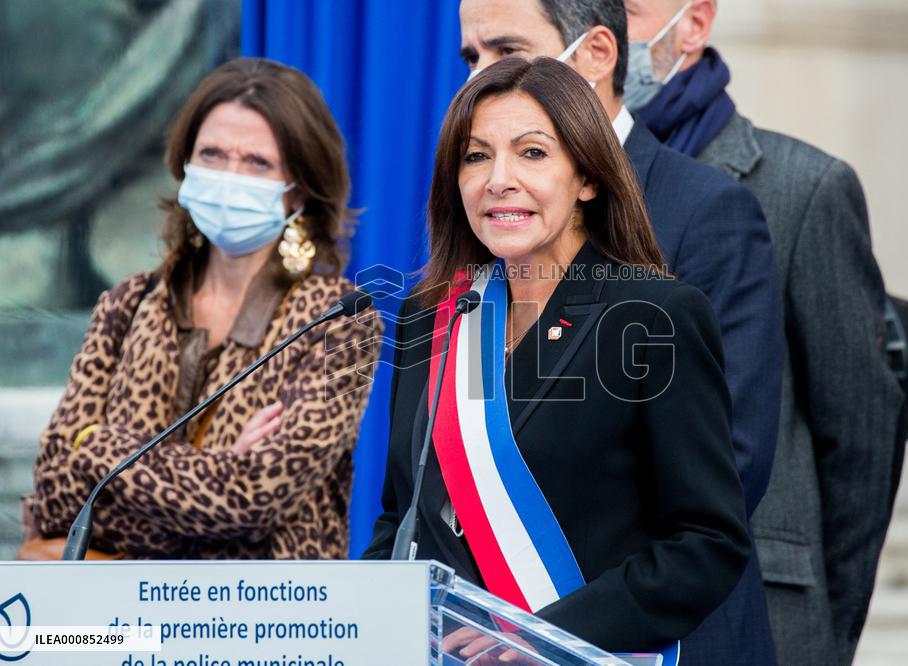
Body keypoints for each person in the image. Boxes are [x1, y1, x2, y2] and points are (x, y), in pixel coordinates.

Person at [363, 56, 751, 660]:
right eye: (475, 156)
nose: (499, 179)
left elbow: (706, 542)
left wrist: (546, 637)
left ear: (588, 178)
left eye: (532, 153)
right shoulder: (433, 315)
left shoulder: (652, 317)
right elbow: (402, 518)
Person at [456, 1, 782, 664]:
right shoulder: (458, 297)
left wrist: (548, 627)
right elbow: (429, 497)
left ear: (596, 55)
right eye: (472, 57)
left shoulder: (707, 210)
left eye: (506, 50)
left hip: (647, 638)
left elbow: (729, 465)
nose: (479, 78)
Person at [623, 2, 907, 664]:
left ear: (693, 24)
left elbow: (860, 432)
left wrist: (828, 627)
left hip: (767, 613)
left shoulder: (802, 189)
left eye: (628, 10)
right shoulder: (564, 191)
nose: (603, 30)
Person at [19, 58, 381, 560]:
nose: (230, 176)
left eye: (257, 163)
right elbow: (56, 495)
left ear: (297, 187)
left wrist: (96, 446)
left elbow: (252, 500)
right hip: (110, 633)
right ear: (185, 165)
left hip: (268, 623)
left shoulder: (340, 323)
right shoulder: (125, 305)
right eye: (211, 154)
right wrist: (215, 471)